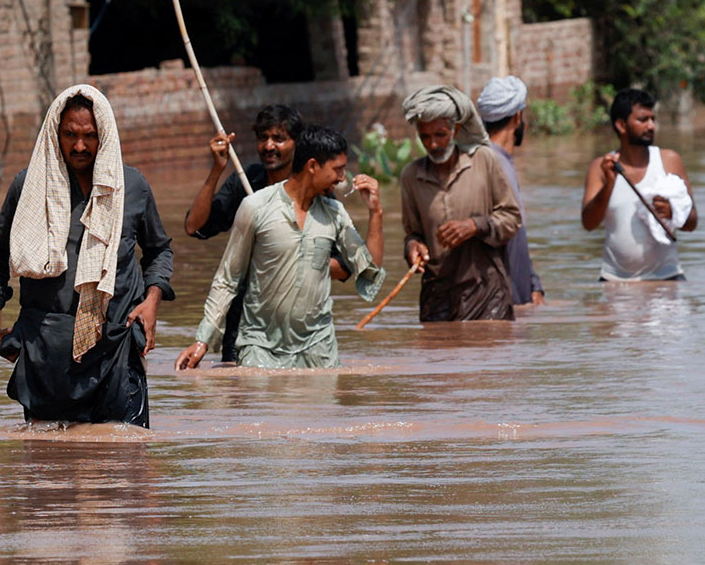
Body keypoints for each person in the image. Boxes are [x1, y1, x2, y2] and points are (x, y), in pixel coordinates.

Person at [0, 84, 174, 426]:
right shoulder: (29, 186)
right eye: (69, 134)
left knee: (127, 465)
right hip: (45, 351)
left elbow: (158, 251)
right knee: (47, 469)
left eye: (89, 136)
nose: (79, 146)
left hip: (117, 348)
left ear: (104, 134)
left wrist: (151, 301)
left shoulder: (131, 186)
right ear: (55, 131)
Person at [176, 125, 385, 370]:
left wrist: (376, 212)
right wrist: (203, 341)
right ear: (312, 166)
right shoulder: (255, 207)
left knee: (323, 409)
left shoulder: (335, 213)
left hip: (318, 348)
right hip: (260, 347)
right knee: (263, 407)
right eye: (337, 170)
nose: (342, 179)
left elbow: (369, 268)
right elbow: (228, 279)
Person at [401, 84, 523, 320]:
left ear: (456, 132)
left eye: (440, 135)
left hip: (487, 292)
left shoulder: (483, 160)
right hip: (437, 295)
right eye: (425, 137)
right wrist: (412, 248)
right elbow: (413, 233)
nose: (433, 144)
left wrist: (475, 226)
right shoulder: (410, 176)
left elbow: (511, 218)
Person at [581, 88, 698, 281]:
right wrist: (609, 184)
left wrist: (674, 211)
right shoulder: (601, 167)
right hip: (615, 281)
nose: (651, 126)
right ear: (621, 125)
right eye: (643, 120)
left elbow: (692, 221)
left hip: (667, 279)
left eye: (653, 119)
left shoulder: (669, 161)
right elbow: (588, 223)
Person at [478, 75, 545, 309]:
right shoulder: (492, 162)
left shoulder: (494, 159)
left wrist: (533, 284)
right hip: (502, 299)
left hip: (515, 294)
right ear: (518, 117)